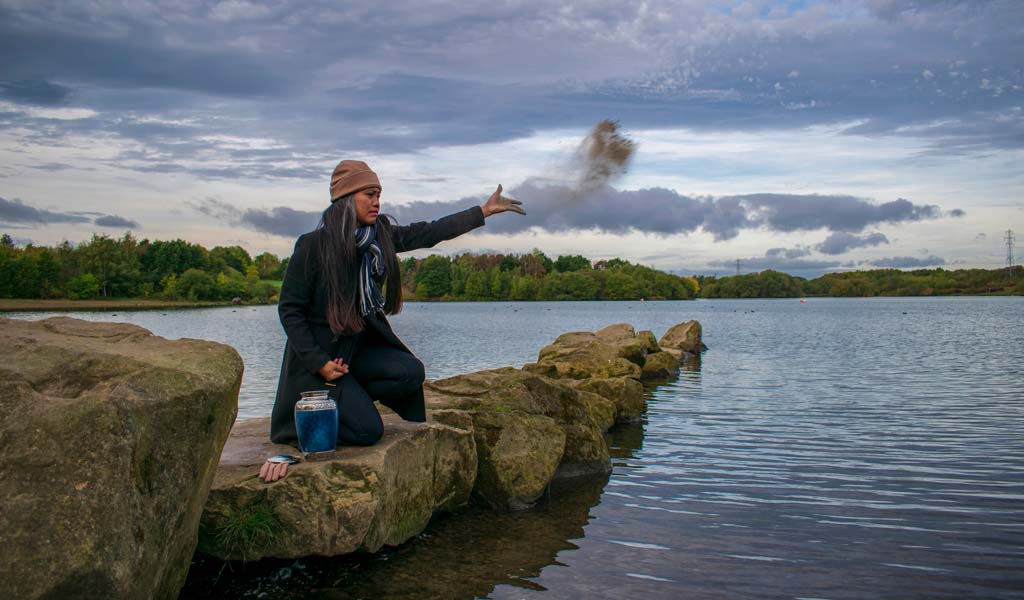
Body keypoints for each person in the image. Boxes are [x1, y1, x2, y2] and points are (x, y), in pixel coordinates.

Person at [260, 160, 525, 482]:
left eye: (378, 195)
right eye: (369, 194)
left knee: (410, 372)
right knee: (368, 431)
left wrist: (482, 211)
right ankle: (327, 409)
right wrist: (319, 362)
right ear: (346, 199)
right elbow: (290, 310)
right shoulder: (312, 246)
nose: (376, 202)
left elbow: (428, 232)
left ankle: (349, 395)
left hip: (355, 354)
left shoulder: (378, 237)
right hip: (320, 364)